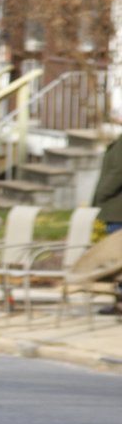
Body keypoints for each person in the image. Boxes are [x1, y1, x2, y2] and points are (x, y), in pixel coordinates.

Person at [92, 135, 122, 315]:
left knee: (118, 261)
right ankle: (118, 302)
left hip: (118, 212)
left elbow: (118, 171)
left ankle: (120, 304)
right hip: (115, 211)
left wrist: (101, 194)